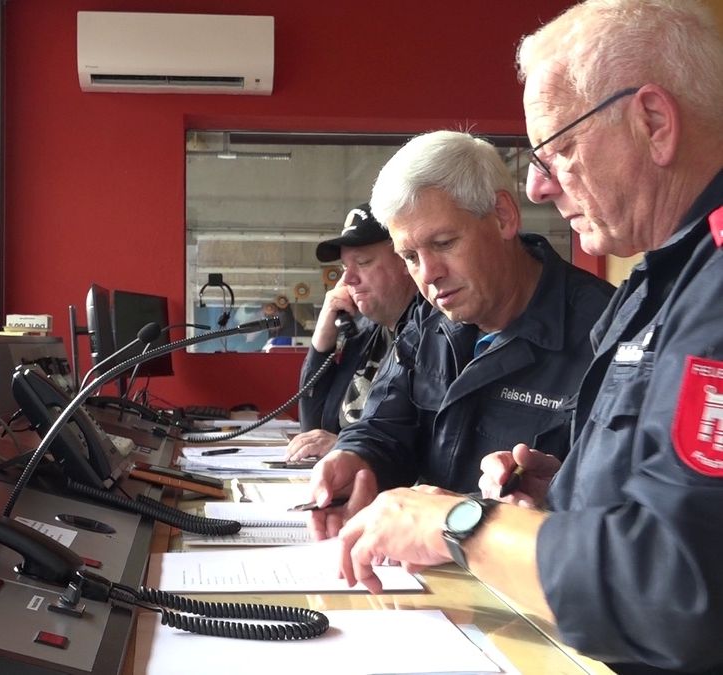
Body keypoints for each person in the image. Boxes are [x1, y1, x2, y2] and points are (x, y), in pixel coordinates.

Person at [334, 1, 723, 673]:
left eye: (560, 150)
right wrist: (566, 493)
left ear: (654, 123)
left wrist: (462, 525)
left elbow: (679, 588)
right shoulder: (664, 281)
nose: (541, 186)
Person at [308, 129, 614, 532]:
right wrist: (353, 458)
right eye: (410, 256)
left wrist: (544, 500)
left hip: (525, 566)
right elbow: (385, 425)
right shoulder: (427, 320)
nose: (428, 274)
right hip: (426, 562)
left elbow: (615, 507)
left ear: (503, 216)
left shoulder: (606, 332)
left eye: (444, 243)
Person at [286, 204, 418, 461]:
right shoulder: (365, 334)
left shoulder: (430, 338)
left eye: (363, 262)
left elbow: (425, 446)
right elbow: (313, 427)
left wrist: (348, 447)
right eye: (345, 267)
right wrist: (323, 338)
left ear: (405, 259)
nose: (348, 279)